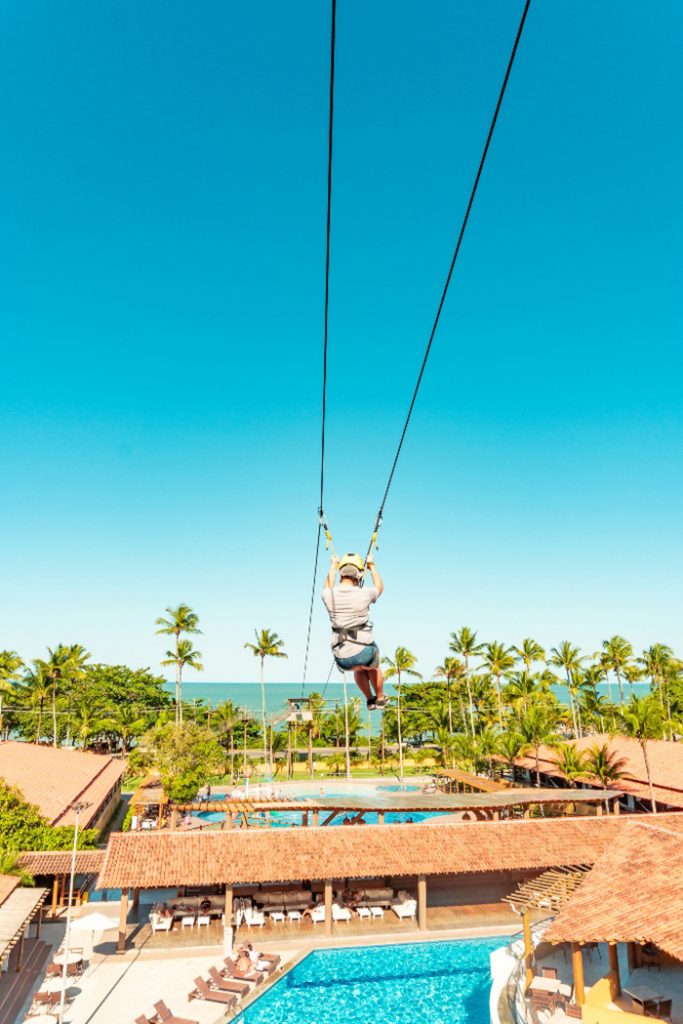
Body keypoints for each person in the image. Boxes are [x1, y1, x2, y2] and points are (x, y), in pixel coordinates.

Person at [322, 552, 387, 710]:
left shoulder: (328, 595)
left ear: (341, 574)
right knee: (371, 663)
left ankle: (369, 700)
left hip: (342, 658)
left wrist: (333, 565)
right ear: (358, 575)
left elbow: (327, 586)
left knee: (358, 668)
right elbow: (379, 587)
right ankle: (379, 698)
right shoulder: (364, 593)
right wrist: (371, 566)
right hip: (364, 652)